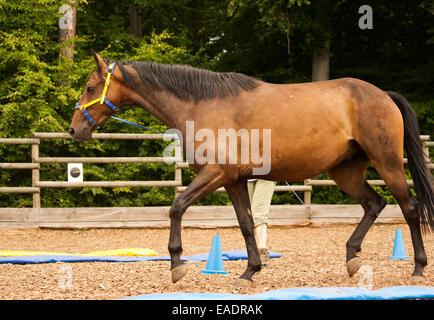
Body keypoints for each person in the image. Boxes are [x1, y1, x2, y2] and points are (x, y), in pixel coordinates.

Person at [247, 179, 276, 266]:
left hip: (265, 175)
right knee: (248, 215)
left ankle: (261, 252)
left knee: (258, 215)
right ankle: (254, 253)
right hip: (247, 175)